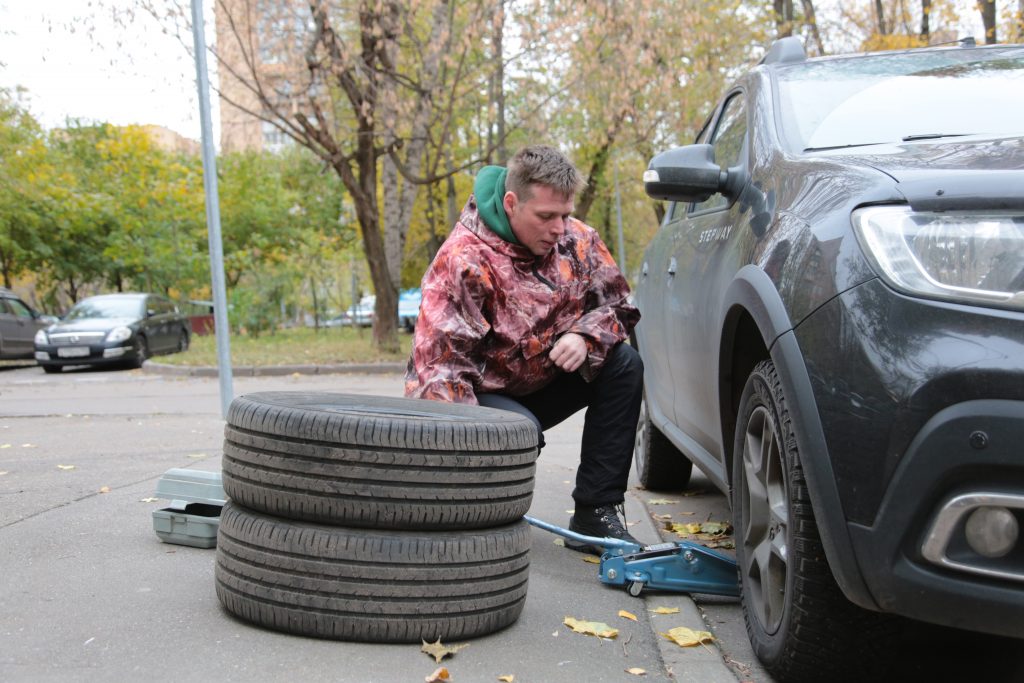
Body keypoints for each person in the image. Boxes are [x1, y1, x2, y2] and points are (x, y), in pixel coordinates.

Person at [404, 144, 644, 553]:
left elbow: (622, 308)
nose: (559, 228)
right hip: (483, 395)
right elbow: (442, 375)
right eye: (546, 217)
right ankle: (476, 512)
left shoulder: (579, 242)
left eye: (565, 215)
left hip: (542, 380)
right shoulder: (463, 259)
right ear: (512, 204)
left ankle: (596, 512)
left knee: (624, 364)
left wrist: (584, 335)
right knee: (518, 432)